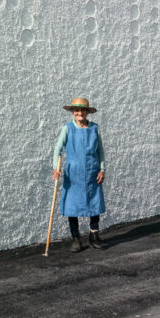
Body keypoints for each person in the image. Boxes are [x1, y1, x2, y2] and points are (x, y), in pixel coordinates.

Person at [52, 97, 106, 252]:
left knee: (94, 203)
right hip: (73, 174)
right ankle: (76, 238)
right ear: (72, 112)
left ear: (87, 112)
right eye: (76, 110)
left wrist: (102, 169)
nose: (79, 112)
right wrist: (56, 168)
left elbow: (100, 151)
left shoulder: (95, 128)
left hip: (92, 172)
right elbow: (58, 150)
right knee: (72, 205)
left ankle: (94, 236)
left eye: (83, 110)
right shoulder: (67, 128)